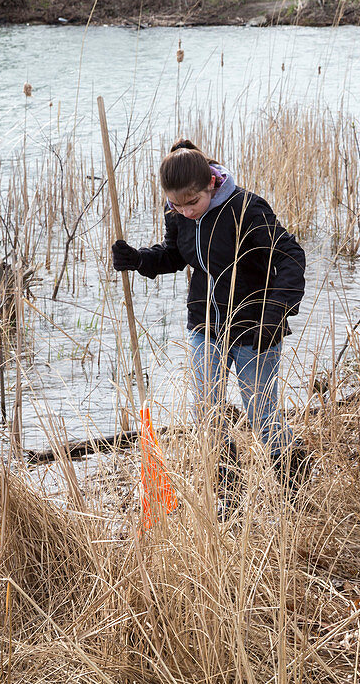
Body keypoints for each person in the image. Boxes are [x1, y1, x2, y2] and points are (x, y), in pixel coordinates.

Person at [111, 139, 308, 518]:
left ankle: (293, 487)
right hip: (206, 324)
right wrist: (138, 259)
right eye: (175, 205)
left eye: (191, 203)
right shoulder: (179, 214)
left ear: (211, 186)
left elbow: (290, 257)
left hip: (255, 328)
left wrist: (276, 313)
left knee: (260, 412)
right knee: (208, 411)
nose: (184, 212)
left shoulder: (246, 209)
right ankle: (229, 499)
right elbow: (175, 255)